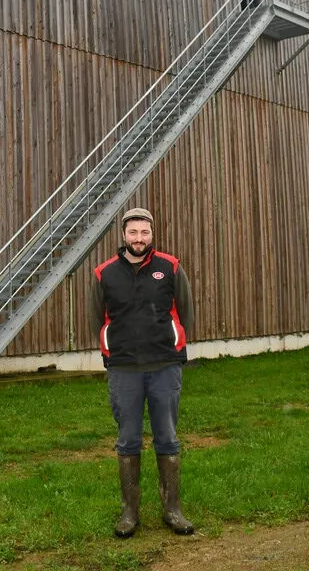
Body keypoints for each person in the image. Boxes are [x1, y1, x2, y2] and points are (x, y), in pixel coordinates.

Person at [90, 208, 195, 538]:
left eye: (145, 233)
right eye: (133, 232)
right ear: (123, 235)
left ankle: (173, 510)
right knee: (128, 440)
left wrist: (173, 347)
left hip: (164, 367)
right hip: (124, 370)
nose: (139, 239)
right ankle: (129, 513)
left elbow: (186, 312)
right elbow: (97, 320)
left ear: (152, 234)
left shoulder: (170, 267)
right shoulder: (103, 273)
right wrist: (112, 351)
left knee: (168, 437)